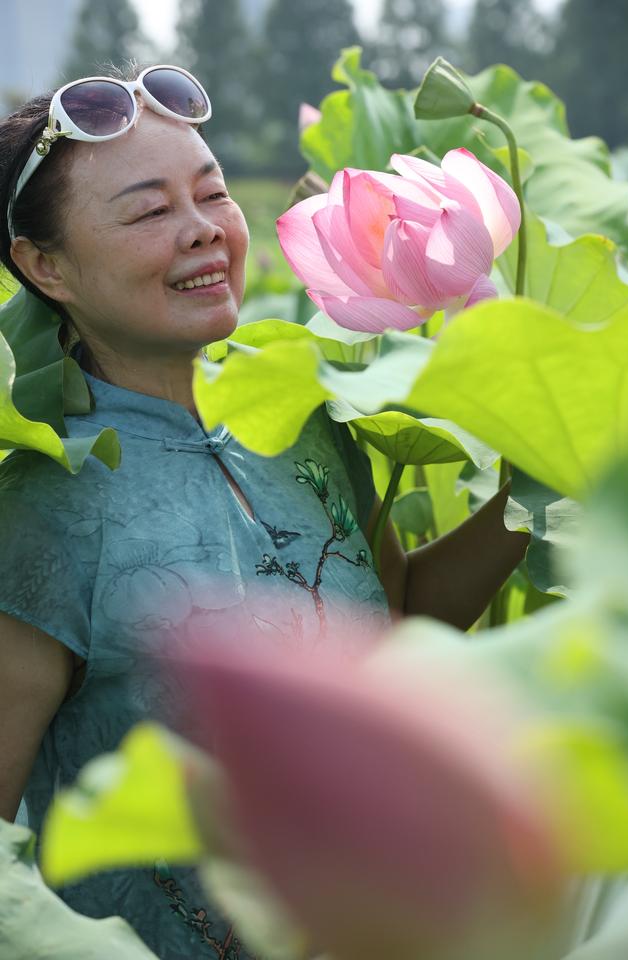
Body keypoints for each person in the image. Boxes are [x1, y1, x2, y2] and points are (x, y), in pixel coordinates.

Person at [0, 61, 529, 960]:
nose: (203, 230)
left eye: (211, 194)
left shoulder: (309, 414)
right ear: (45, 266)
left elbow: (394, 624)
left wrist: (541, 492)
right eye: (149, 211)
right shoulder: (37, 512)